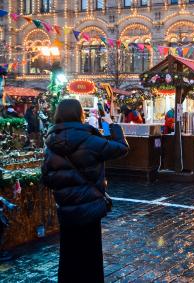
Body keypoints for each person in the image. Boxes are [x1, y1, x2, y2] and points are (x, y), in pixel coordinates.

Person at [42, 99, 129, 283]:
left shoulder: (51, 142)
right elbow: (121, 148)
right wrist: (111, 124)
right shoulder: (89, 139)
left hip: (66, 210)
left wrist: (65, 187)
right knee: (90, 257)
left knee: (68, 257)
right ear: (80, 114)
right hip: (89, 208)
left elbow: (47, 178)